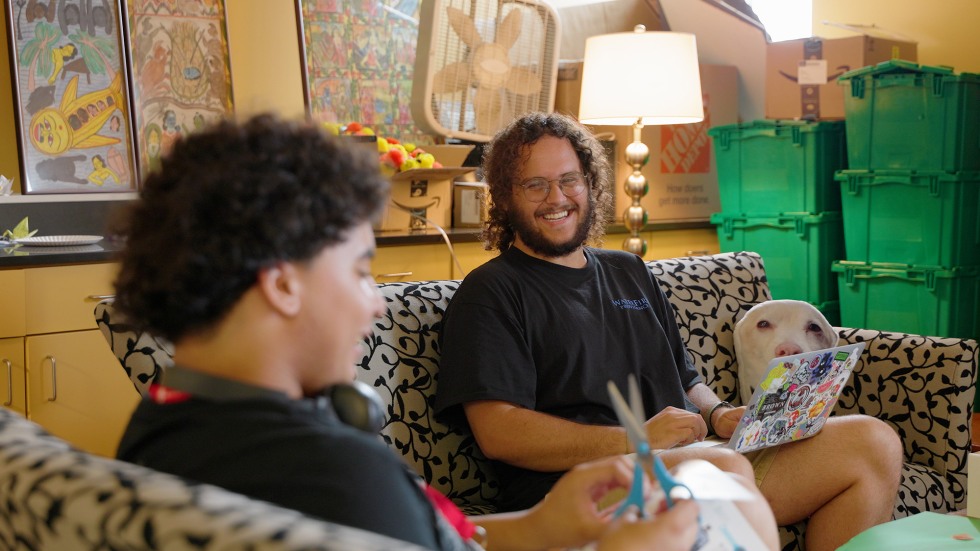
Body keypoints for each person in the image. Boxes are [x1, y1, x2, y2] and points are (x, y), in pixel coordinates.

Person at [112, 113, 730, 551]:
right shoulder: (335, 474)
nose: (374, 307)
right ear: (282, 285)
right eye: (359, 271)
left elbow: (439, 536)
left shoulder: (160, 432)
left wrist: (544, 529)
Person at [433, 112, 904, 551]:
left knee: (873, 442)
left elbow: (683, 374)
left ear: (589, 183)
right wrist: (637, 436)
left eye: (568, 179)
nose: (556, 198)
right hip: (584, 484)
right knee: (718, 469)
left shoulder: (627, 270)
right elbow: (500, 433)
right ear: (504, 195)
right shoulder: (492, 292)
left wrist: (719, 413)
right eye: (535, 185)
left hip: (694, 454)